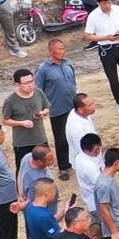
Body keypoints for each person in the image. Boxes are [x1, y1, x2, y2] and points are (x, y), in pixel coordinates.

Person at [36, 38, 79, 173]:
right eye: (59, 48)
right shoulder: (43, 69)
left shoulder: (68, 64)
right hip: (57, 109)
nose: (63, 51)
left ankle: (75, 161)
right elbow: (39, 90)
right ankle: (64, 167)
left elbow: (73, 82)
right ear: (51, 50)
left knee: (74, 135)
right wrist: (43, 108)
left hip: (72, 106)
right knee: (61, 139)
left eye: (63, 48)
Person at [0, 69, 52, 171]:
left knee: (44, 166)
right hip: (22, 142)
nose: (31, 85)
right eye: (26, 83)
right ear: (17, 84)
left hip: (40, 138)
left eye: (32, 81)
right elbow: (5, 120)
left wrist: (43, 113)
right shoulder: (10, 101)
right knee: (23, 169)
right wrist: (21, 123)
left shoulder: (39, 92)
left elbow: (47, 108)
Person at [72, 133, 104, 213]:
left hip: (89, 198)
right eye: (96, 149)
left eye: (99, 147)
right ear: (86, 150)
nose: (99, 151)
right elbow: (102, 186)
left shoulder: (79, 157)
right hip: (97, 203)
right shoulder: (89, 167)